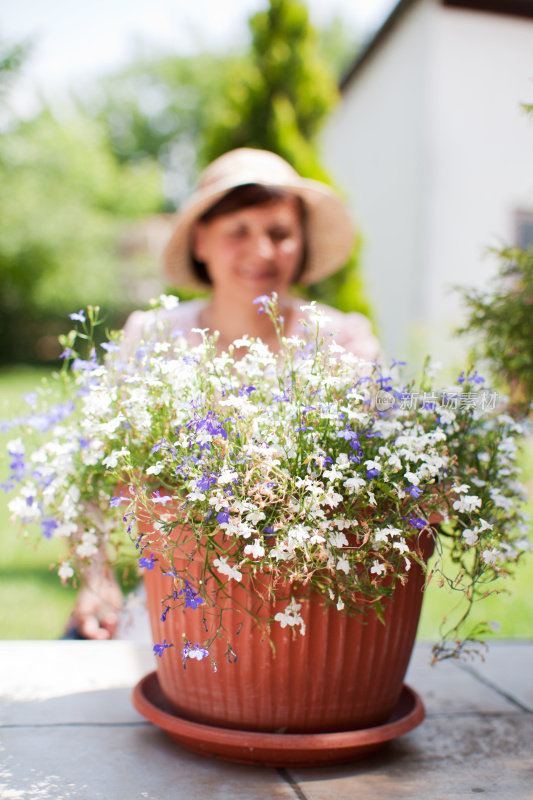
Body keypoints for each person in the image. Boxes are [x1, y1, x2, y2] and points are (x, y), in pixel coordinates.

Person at [66, 147, 380, 640]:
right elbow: (93, 467)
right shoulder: (153, 336)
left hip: (307, 604)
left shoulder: (341, 342)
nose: (262, 251)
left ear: (301, 245)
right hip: (180, 601)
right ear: (201, 241)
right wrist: (96, 576)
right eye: (238, 232)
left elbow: (377, 486)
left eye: (280, 233)